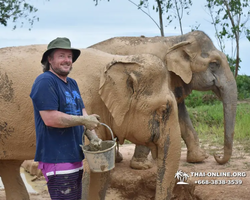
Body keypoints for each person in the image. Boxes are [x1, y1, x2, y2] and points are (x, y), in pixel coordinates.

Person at [30, 37, 102, 200]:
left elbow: (81, 112)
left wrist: (94, 138)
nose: (67, 60)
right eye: (61, 55)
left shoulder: (72, 84)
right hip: (57, 158)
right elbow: (50, 118)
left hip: (74, 156)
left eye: (69, 57)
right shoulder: (45, 81)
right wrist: (84, 121)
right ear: (50, 59)